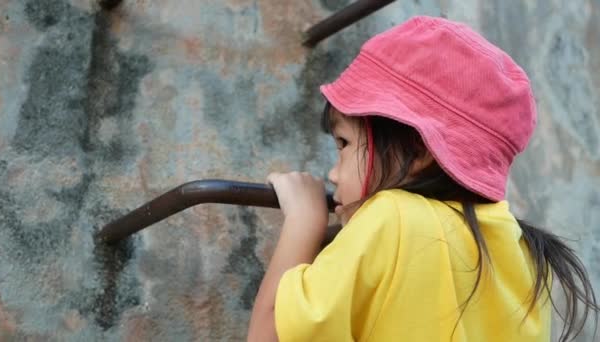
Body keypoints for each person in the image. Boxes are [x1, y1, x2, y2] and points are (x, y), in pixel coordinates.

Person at [247, 16, 598, 341]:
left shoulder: (394, 217)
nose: (332, 173)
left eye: (344, 143)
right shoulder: (524, 254)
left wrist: (304, 219)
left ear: (419, 151)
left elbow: (268, 335)